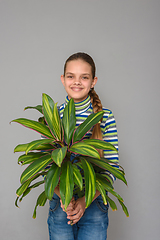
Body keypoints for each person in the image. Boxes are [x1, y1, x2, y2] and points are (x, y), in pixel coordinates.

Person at [47, 52, 119, 240]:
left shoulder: (104, 117)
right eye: (71, 76)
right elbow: (47, 168)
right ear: (63, 79)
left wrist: (84, 201)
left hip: (93, 203)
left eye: (84, 77)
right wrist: (64, 196)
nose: (76, 82)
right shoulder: (54, 116)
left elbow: (111, 169)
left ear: (93, 81)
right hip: (62, 204)